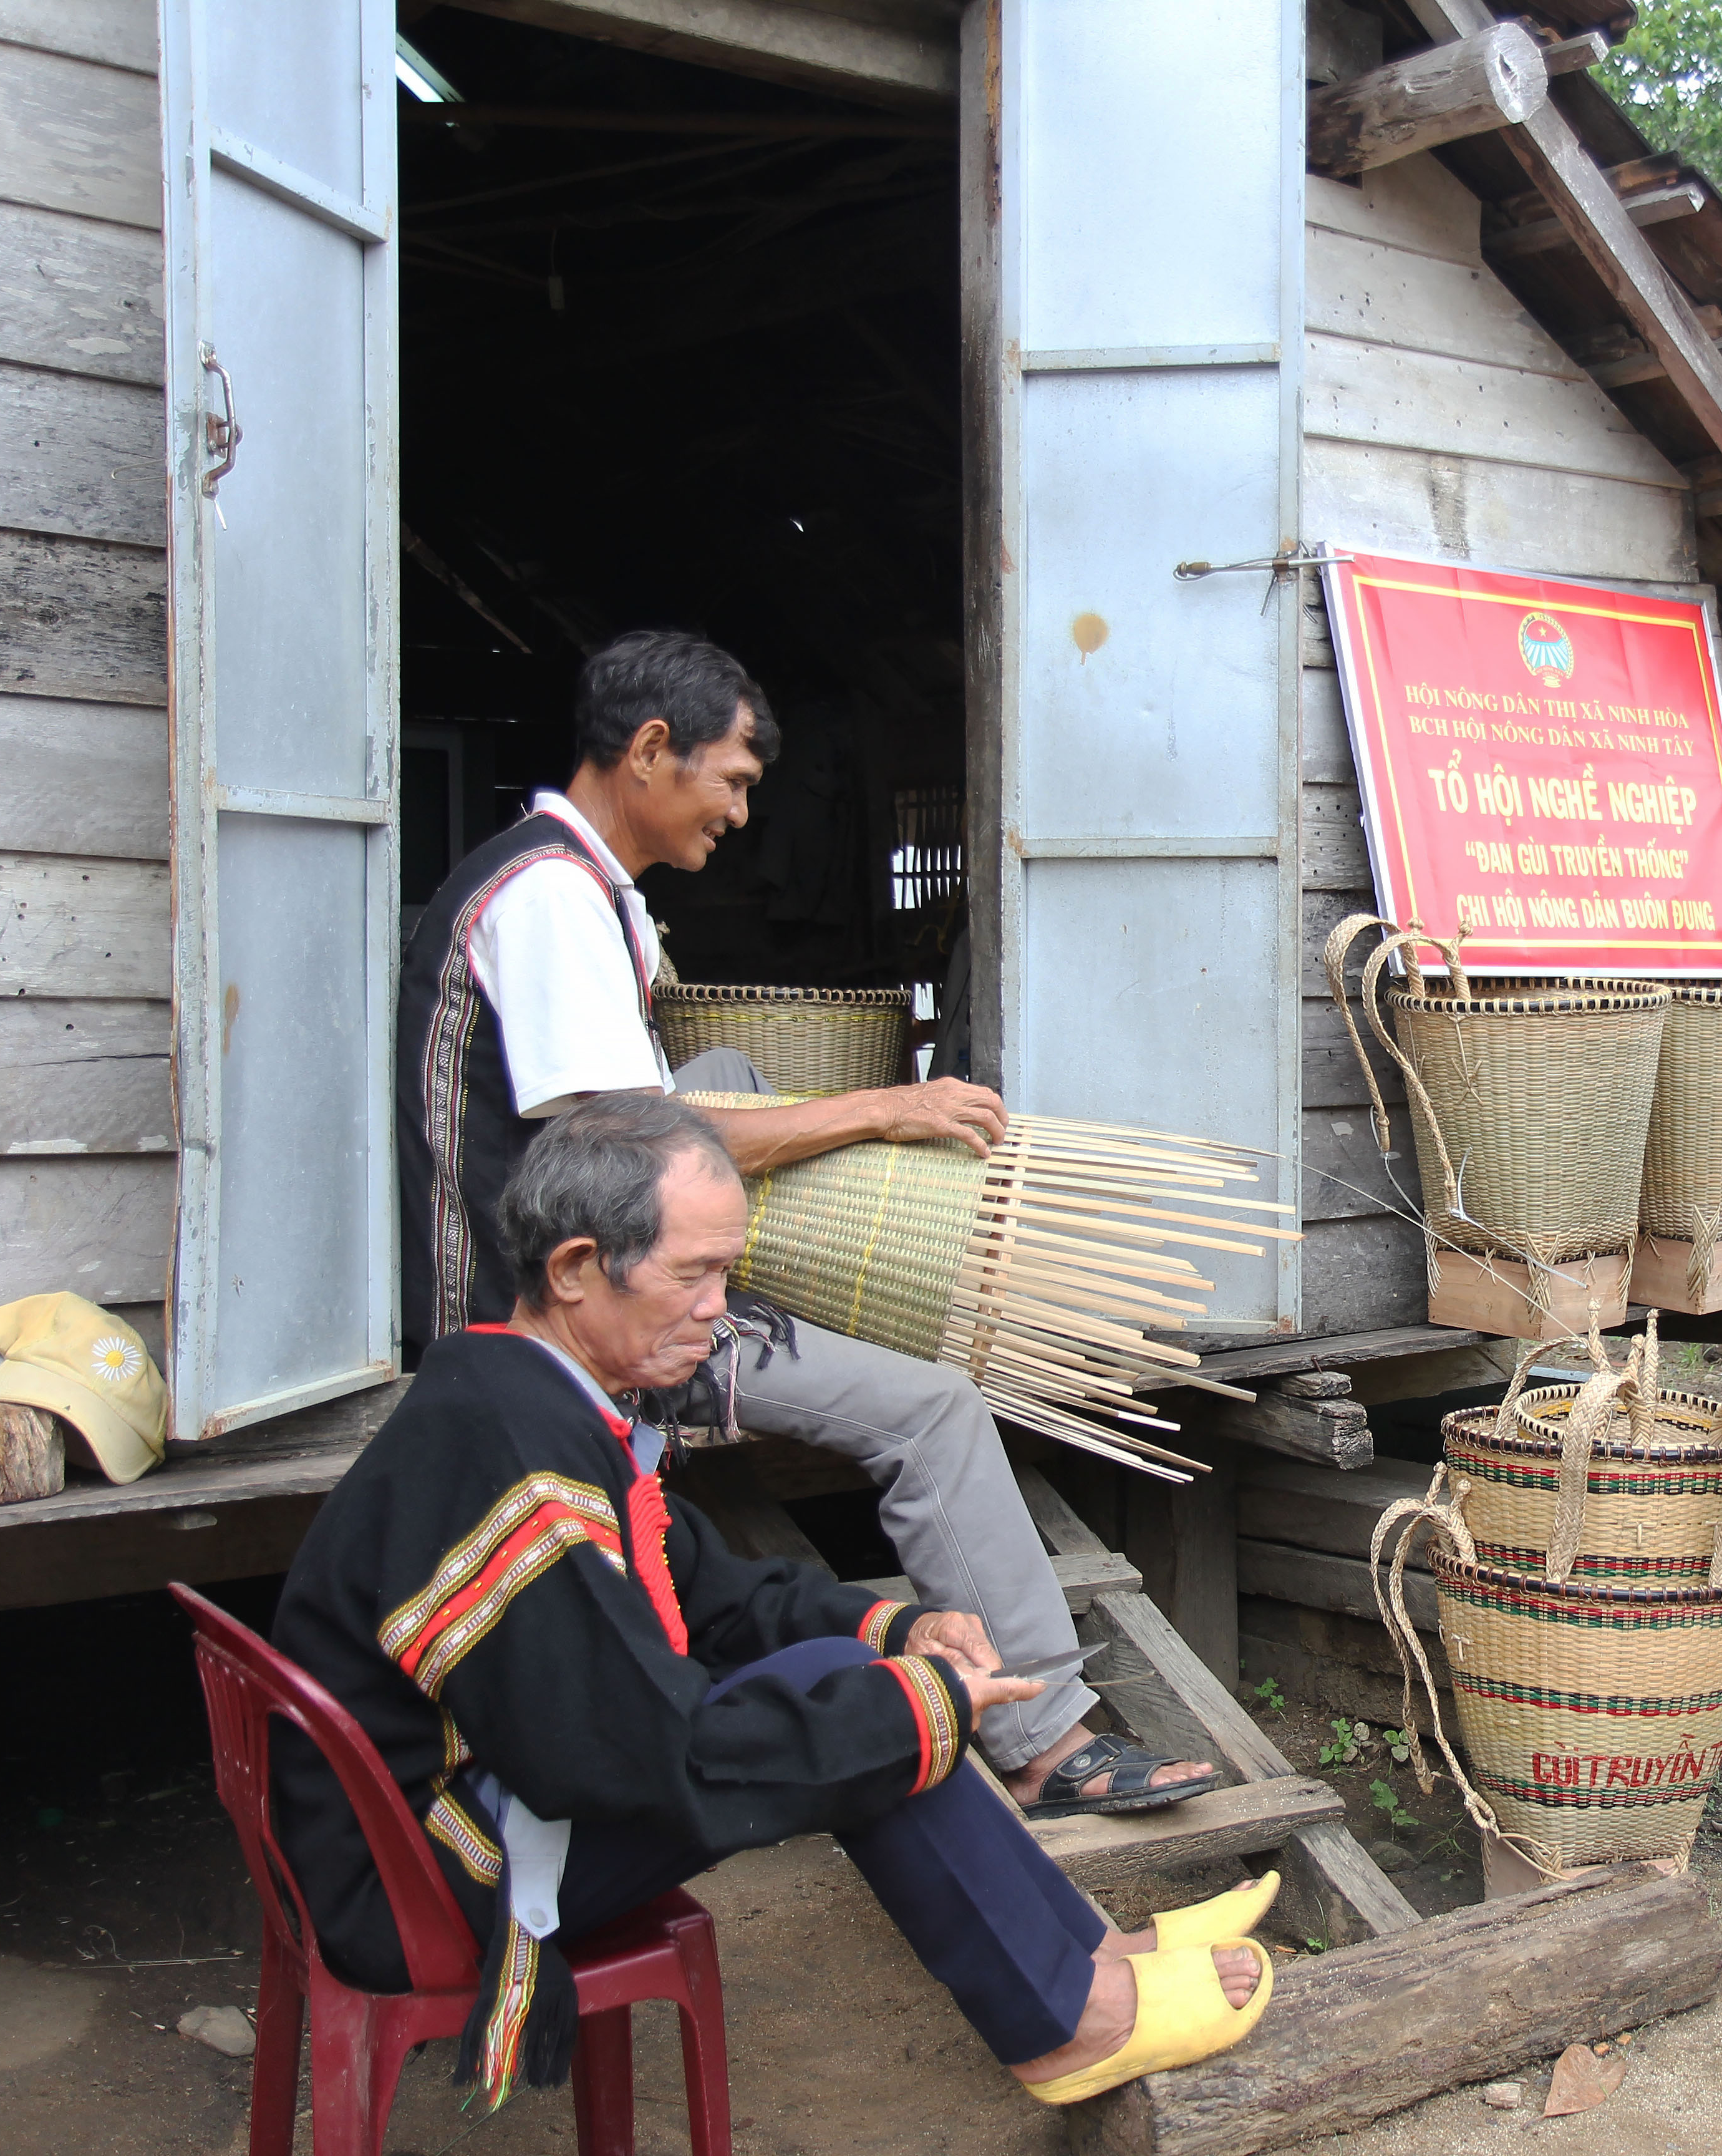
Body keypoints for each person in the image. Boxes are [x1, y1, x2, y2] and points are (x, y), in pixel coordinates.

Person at [274, 1093, 1272, 2107]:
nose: (721, 1307)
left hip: (481, 1802)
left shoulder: (537, 1401)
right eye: (693, 1274)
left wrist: (900, 1629)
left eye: (727, 1272)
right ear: (576, 1269)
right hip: (419, 1875)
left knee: (869, 1680)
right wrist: (903, 1708)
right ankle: (1062, 2020)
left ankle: (1081, 1957)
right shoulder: (513, 1464)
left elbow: (711, 1594)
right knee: (870, 1713)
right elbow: (636, 1759)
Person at [394, 628, 1212, 1820]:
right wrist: (886, 1107)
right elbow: (634, 1144)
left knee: (722, 1074)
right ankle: (1046, 1744)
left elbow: (640, 1123)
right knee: (934, 1411)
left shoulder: (561, 878)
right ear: (650, 750)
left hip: (592, 1258)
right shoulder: (552, 901)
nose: (739, 814)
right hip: (569, 1320)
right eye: (731, 781)